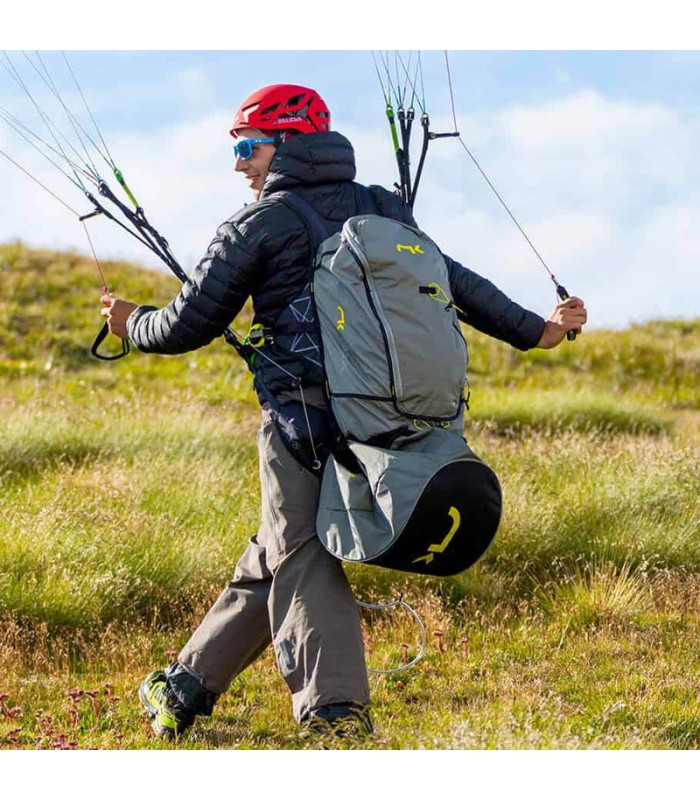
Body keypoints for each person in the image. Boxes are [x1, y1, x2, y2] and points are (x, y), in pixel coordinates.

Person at [102, 83, 587, 740]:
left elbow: (186, 325)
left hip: (305, 422)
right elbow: (454, 280)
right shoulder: (384, 210)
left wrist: (131, 324)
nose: (240, 163)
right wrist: (539, 330)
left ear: (286, 145)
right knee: (281, 542)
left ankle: (335, 715)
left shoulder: (260, 224)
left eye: (247, 147)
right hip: (395, 419)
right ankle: (184, 687)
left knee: (302, 548)